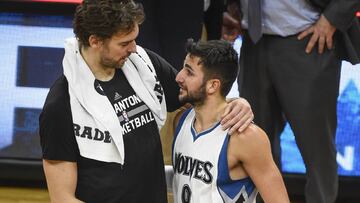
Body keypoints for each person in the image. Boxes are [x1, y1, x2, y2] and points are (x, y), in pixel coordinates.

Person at [39, 0, 254, 202]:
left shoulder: (144, 63)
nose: (133, 48)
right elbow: (62, 197)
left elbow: (200, 97)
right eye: (124, 42)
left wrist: (237, 103)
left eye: (134, 39)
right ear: (95, 41)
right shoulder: (60, 106)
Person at [223, 0, 360, 203]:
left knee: (317, 148)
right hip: (252, 43)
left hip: (308, 40)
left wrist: (332, 18)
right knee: (253, 144)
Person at [172, 39, 289, 203]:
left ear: (213, 85)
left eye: (189, 72)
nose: (179, 77)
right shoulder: (181, 121)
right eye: (183, 68)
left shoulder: (246, 137)